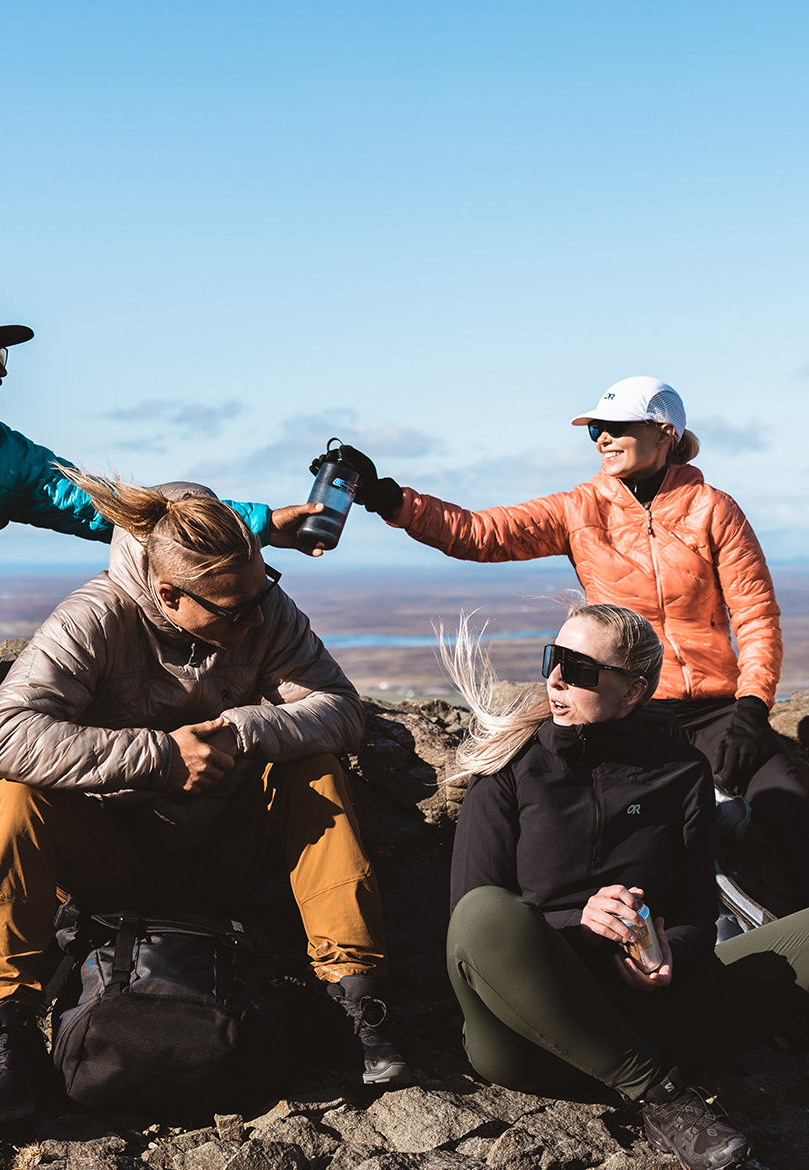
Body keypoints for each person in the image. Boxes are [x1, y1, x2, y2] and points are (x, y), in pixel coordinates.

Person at [0, 287, 315, 926]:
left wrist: (261, 522)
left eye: (0, 352)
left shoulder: (4, 455)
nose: (0, 365)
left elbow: (113, 508)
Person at [0, 474, 409, 1127]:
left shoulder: (259, 603)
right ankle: (2, 1033)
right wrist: (161, 758)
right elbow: (1, 737)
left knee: (313, 766)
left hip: (230, 855)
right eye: (234, 610)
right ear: (168, 593)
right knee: (22, 795)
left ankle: (355, 1003)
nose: (256, 617)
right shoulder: (96, 617)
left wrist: (248, 729)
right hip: (115, 862)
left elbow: (340, 708)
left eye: (263, 594)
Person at [342, 376, 809, 900]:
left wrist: (750, 710)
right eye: (595, 431)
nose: (602, 438)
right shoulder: (579, 508)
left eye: (616, 427)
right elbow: (477, 533)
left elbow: (756, 615)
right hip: (625, 703)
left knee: (791, 812)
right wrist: (386, 497)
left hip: (715, 709)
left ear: (664, 433)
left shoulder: (713, 509)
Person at [444, 601, 809, 1170]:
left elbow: (694, 912)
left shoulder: (680, 771)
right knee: (486, 912)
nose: (556, 678)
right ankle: (659, 1095)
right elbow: (472, 932)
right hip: (532, 1040)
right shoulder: (510, 772)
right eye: (554, 658)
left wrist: (670, 952)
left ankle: (645, 1071)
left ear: (633, 692)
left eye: (580, 669)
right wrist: (578, 926)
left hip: (653, 1009)